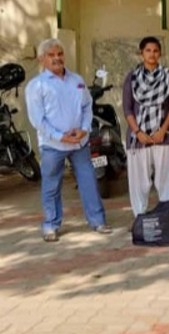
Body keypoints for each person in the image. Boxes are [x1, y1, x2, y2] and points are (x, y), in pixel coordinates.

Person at [25, 38, 111, 242]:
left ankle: (98, 221)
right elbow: (38, 120)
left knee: (89, 181)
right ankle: (51, 225)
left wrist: (84, 129)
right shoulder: (36, 85)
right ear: (41, 59)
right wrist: (60, 136)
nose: (57, 58)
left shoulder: (77, 80)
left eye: (60, 53)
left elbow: (87, 107)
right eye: (51, 55)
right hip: (52, 145)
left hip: (79, 143)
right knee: (51, 186)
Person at [123, 36, 169, 216]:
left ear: (160, 54)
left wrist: (162, 130)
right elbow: (127, 108)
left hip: (165, 136)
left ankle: (166, 217)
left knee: (165, 181)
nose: (152, 54)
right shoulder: (132, 78)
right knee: (139, 183)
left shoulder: (168, 76)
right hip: (138, 138)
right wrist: (138, 132)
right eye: (148, 50)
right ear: (141, 53)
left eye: (155, 51)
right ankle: (139, 217)